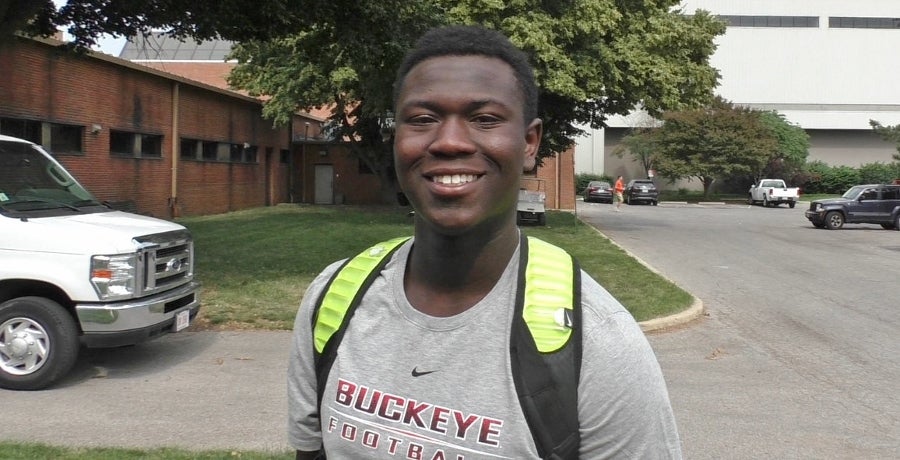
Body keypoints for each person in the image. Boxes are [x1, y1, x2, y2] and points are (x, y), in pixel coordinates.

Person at [287, 25, 682, 459]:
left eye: (485, 119)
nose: (450, 141)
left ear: (529, 142)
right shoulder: (333, 299)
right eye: (422, 120)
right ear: (396, 137)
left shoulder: (598, 340)